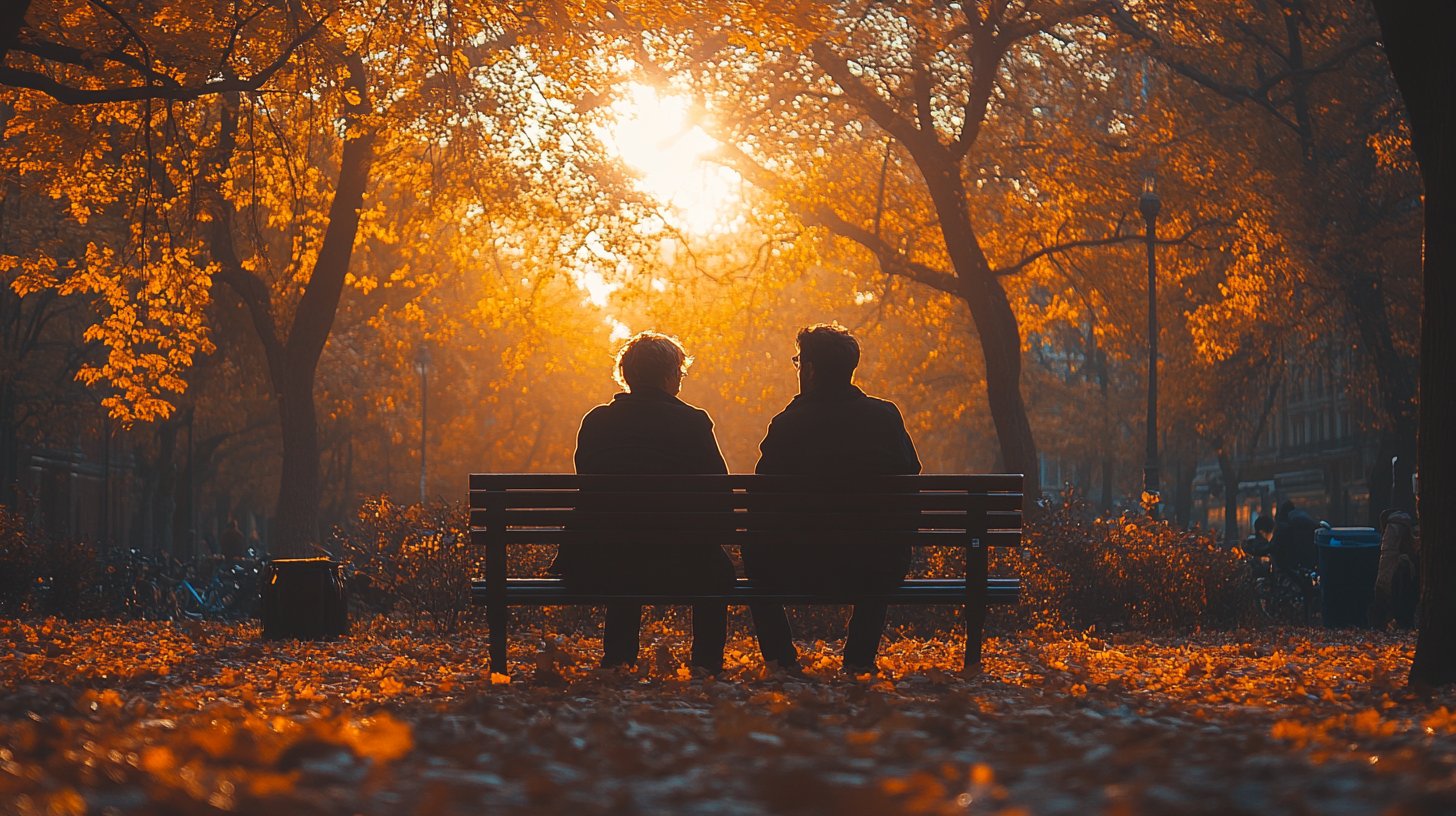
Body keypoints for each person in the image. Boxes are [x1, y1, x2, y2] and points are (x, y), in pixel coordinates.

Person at [550, 331, 735, 672]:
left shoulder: (596, 422)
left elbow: (590, 488)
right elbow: (720, 496)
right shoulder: (693, 422)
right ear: (668, 376)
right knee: (717, 568)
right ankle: (707, 664)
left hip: (601, 562)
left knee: (626, 549)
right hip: (681, 564)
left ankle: (618, 660)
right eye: (679, 372)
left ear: (627, 375)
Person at [745, 323, 921, 675]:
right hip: (873, 566)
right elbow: (909, 477)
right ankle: (858, 658)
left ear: (809, 370)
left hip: (797, 566)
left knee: (753, 554)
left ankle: (781, 659)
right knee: (884, 547)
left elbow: (760, 499)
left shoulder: (788, 424)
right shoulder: (884, 417)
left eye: (798, 363)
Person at [1270, 500, 1318, 575]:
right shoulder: (1302, 519)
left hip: (1292, 566)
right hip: (1310, 561)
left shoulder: (1284, 524)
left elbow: (1274, 546)